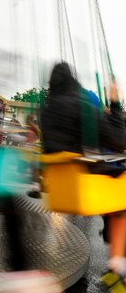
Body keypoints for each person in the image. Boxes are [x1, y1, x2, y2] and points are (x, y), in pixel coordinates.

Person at [41, 62, 126, 287]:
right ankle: (117, 271)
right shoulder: (82, 106)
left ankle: (114, 262)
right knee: (122, 206)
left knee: (115, 201)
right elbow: (118, 140)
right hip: (85, 184)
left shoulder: (46, 111)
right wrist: (115, 104)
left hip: (61, 188)